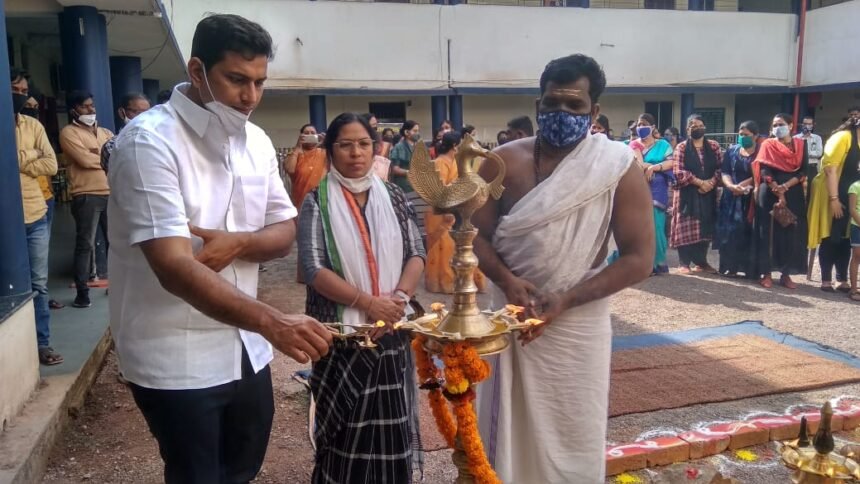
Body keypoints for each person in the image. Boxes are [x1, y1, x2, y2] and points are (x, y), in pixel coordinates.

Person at [107, 14, 333, 483]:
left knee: (242, 469)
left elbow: (284, 229)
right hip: (175, 353)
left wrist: (242, 242)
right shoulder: (149, 142)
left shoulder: (255, 140)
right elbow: (172, 266)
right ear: (196, 71)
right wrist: (273, 321)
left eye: (259, 82)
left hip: (246, 347)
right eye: (236, 80)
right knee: (196, 475)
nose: (250, 97)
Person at [473, 54, 654, 483]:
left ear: (594, 112)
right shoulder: (501, 162)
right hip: (509, 316)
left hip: (578, 322)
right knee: (503, 433)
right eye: (553, 104)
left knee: (575, 429)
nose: (562, 114)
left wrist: (565, 300)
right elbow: (471, 235)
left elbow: (639, 258)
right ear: (538, 104)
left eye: (575, 106)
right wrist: (506, 280)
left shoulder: (618, 167)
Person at [298, 112, 425, 483]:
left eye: (364, 144)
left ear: (375, 149)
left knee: (390, 429)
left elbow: (417, 252)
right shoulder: (317, 202)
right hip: (341, 337)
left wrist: (398, 299)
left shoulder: (395, 196)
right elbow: (314, 269)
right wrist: (371, 304)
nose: (356, 153)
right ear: (331, 151)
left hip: (390, 332)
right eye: (346, 144)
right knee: (345, 433)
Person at [12, 67, 62, 365]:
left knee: (38, 285)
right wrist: (30, 156)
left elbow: (52, 164)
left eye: (23, 92)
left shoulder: (32, 126)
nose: (20, 96)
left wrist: (18, 158)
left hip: (35, 215)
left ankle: (41, 344)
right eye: (14, 91)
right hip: (8, 220)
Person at [59, 90, 114, 308]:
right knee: (85, 244)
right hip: (86, 195)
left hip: (111, 193)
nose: (91, 110)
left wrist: (98, 156)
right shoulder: (68, 133)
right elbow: (82, 159)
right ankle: (82, 293)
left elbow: (118, 153)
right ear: (74, 110)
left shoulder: (106, 132)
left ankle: (116, 285)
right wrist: (104, 157)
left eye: (92, 105)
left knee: (116, 243)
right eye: (85, 106)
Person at [424, 131, 487, 293]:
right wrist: (447, 210)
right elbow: (440, 190)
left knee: (457, 246)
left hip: (456, 209)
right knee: (443, 245)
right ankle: (445, 282)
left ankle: (463, 280)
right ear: (454, 146)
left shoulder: (454, 161)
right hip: (440, 211)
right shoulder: (440, 162)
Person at [753, 113, 809, 289]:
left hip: (793, 192)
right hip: (769, 192)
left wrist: (786, 187)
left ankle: (786, 274)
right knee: (767, 233)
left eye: (781, 124)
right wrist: (778, 190)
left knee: (792, 233)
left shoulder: (801, 145)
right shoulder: (767, 145)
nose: (777, 128)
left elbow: (804, 170)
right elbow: (764, 171)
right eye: (775, 125)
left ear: (791, 126)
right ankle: (766, 273)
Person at [808, 116, 860, 292]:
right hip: (831, 191)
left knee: (847, 237)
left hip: (852, 194)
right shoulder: (843, 137)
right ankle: (825, 279)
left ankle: (842, 278)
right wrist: (834, 200)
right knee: (831, 235)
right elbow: (830, 170)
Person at [670, 114, 722, 274]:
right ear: (687, 129)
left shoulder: (713, 146)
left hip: (708, 194)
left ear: (705, 128)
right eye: (692, 126)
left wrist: (711, 183)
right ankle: (683, 263)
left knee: (704, 227)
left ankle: (701, 262)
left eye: (699, 125)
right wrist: (700, 182)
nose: (696, 128)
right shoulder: (682, 147)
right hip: (687, 193)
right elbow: (678, 171)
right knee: (685, 227)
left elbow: (721, 168)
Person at [630, 113, 674, 274]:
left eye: (645, 124)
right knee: (638, 226)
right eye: (639, 124)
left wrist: (655, 167)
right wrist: (647, 165)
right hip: (637, 190)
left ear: (653, 127)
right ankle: (641, 265)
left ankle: (657, 264)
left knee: (656, 225)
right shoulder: (634, 144)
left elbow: (672, 162)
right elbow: (638, 163)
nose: (641, 127)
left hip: (657, 190)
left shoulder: (663, 144)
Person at [716, 121, 759, 278]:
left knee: (748, 233)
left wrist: (744, 185)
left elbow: (762, 172)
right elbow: (725, 171)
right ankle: (729, 267)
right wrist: (731, 186)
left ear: (755, 136)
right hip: (731, 197)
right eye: (740, 134)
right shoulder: (732, 150)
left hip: (751, 199)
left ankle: (750, 270)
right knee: (729, 232)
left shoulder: (760, 152)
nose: (742, 137)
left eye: (746, 135)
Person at [101, 92, 152, 173]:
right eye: (137, 112)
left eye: (147, 113)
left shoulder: (160, 140)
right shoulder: (112, 146)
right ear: (122, 112)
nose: (143, 117)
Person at [285, 123, 327, 209]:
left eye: (312, 133)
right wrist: (297, 147)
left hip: (322, 203)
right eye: (306, 133)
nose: (310, 135)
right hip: (300, 203)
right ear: (301, 136)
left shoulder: (323, 153)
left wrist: (327, 143)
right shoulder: (294, 154)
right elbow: (290, 169)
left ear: (317, 135)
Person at [795, 115, 823, 197]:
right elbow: (794, 154)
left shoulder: (817, 138)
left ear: (813, 125)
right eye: (804, 124)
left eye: (809, 124)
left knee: (812, 192)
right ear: (801, 124)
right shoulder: (795, 138)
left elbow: (819, 153)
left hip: (812, 168)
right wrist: (809, 153)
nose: (806, 126)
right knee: (798, 191)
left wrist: (803, 152)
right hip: (799, 168)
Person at [848, 177, 860, 301]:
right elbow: (852, 209)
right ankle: (854, 288)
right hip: (857, 226)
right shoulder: (855, 186)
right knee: (857, 256)